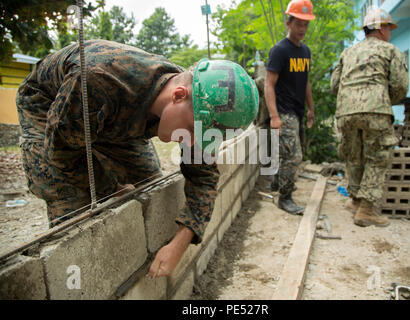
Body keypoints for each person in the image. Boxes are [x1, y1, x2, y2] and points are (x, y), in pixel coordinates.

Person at [16, 39, 258, 278]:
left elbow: (204, 178)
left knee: (150, 186)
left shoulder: (198, 105)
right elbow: (62, 152)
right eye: (193, 130)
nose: (192, 143)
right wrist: (109, 189)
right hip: (51, 107)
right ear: (178, 95)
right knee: (73, 206)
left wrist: (179, 244)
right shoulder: (97, 78)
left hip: (112, 114)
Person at [330, 7, 409, 227]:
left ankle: (354, 200)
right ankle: (366, 209)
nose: (390, 33)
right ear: (381, 29)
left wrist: (351, 99)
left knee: (353, 154)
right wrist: (383, 99)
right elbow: (400, 85)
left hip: (346, 111)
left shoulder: (348, 53)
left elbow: (334, 84)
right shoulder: (391, 51)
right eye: (389, 27)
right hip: (376, 109)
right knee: (377, 156)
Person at [264, 0, 316, 214]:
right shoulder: (279, 50)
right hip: (283, 111)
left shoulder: (305, 51)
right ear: (289, 23)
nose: (302, 29)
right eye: (298, 24)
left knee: (286, 153)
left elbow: (305, 82)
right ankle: (285, 198)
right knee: (293, 156)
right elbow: (269, 84)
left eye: (305, 24)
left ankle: (276, 181)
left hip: (298, 111)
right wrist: (274, 116)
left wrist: (311, 108)